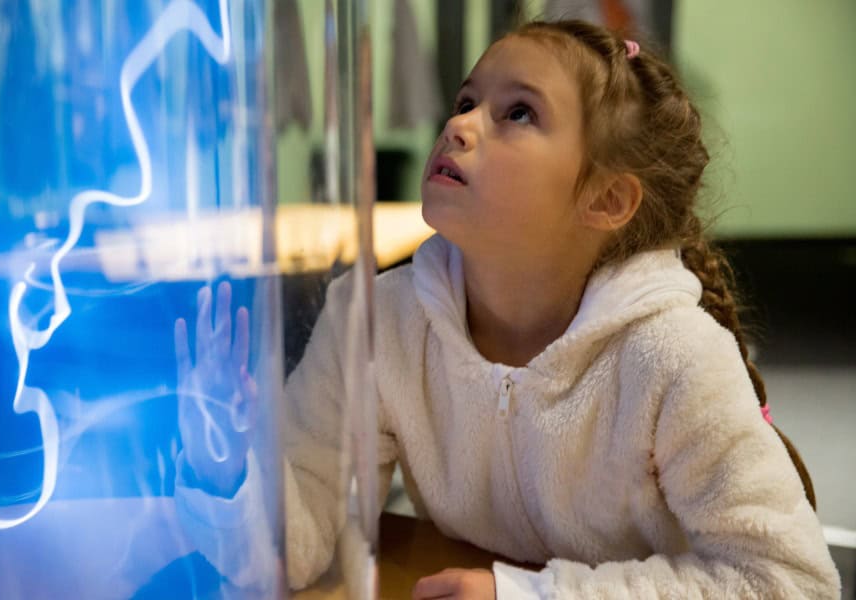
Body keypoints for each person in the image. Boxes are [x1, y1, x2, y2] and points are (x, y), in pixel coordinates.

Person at [172, 19, 841, 599]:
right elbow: (300, 543)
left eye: (518, 113)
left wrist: (529, 594)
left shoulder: (675, 357)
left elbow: (791, 580)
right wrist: (227, 473)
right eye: (466, 101)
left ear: (607, 200)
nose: (458, 125)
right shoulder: (374, 320)